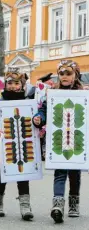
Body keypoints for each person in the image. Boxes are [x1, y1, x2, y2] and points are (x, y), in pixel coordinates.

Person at [33, 60, 83, 223]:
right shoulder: (52, 93)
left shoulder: (83, 94)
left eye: (68, 73)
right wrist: (39, 118)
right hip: (59, 138)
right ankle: (58, 205)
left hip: (77, 138)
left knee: (75, 174)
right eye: (61, 73)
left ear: (76, 75)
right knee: (60, 173)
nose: (64, 76)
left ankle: (74, 204)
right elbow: (44, 110)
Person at [0, 70, 34, 221]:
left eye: (16, 83)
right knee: (1, 175)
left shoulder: (27, 103)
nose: (12, 86)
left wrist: (38, 125)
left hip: (22, 144)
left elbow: (34, 122)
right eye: (10, 83)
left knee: (23, 174)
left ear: (22, 85)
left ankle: (25, 206)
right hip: (3, 145)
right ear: (5, 84)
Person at [37, 73, 55, 161]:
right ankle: (41, 153)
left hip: (49, 117)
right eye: (49, 82)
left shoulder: (53, 90)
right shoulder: (38, 91)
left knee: (46, 137)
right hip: (40, 117)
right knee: (40, 137)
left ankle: (45, 153)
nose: (51, 83)